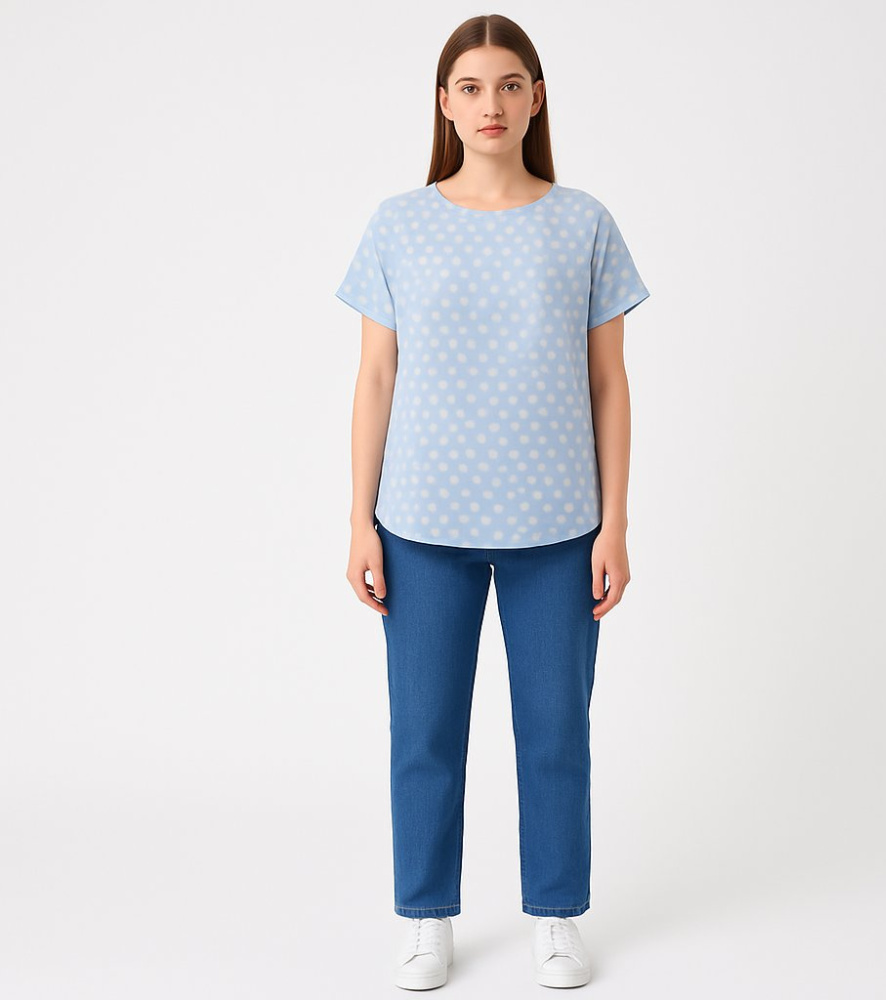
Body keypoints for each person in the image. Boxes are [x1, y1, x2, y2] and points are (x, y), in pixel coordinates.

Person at [336, 13, 650, 991]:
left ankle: (555, 913)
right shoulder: (398, 223)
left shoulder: (582, 222)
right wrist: (359, 520)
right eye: (470, 87)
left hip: (557, 525)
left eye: (510, 85)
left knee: (556, 731)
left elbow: (608, 381)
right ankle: (425, 915)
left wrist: (615, 522)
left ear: (536, 98)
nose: (491, 104)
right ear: (444, 103)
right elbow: (375, 377)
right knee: (424, 732)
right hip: (420, 522)